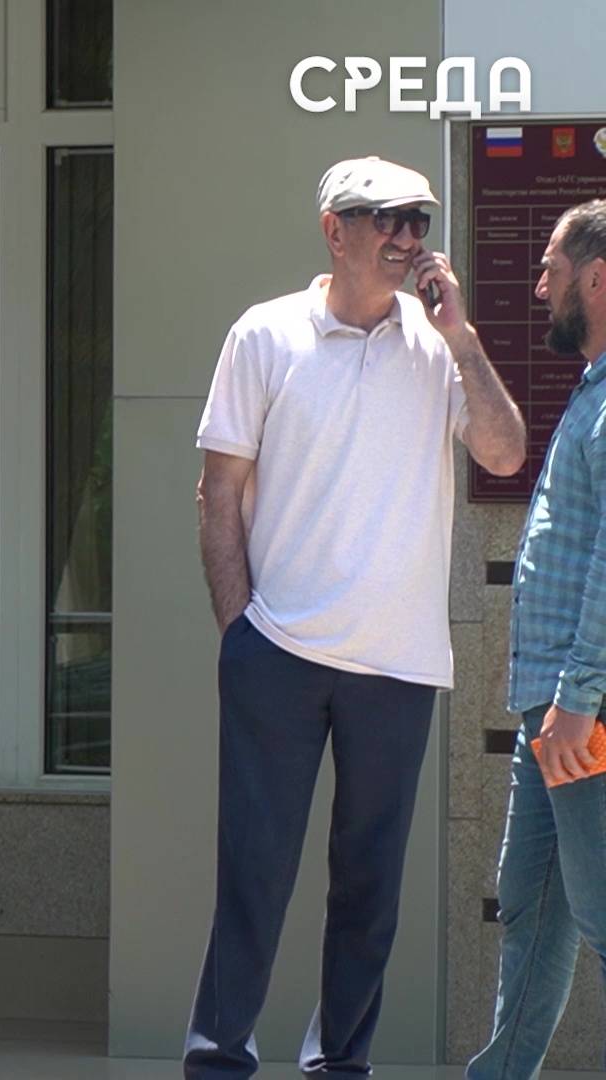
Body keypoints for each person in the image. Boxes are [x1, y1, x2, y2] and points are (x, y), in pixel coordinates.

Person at [184, 156, 526, 1079]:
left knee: (369, 892)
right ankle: (218, 1058)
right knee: (254, 874)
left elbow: (503, 453)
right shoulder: (263, 334)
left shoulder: (437, 345)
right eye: (387, 219)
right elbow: (218, 493)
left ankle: (341, 1065)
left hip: (399, 665)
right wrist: (239, 634)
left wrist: (462, 338)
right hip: (277, 653)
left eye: (419, 220)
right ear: (335, 230)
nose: (408, 237)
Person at [468, 199, 606, 1078]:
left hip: (583, 713)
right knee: (533, 909)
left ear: (597, 278)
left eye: (551, 269)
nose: (538, 286)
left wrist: (580, 699)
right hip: (553, 713)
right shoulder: (592, 391)